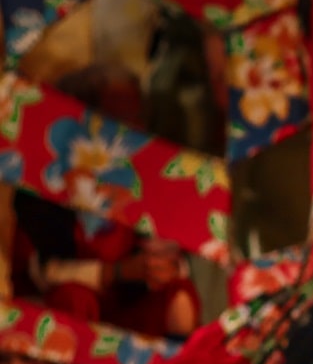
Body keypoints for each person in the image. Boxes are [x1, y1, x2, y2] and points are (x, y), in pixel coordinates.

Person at [13, 62, 201, 340]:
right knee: (73, 300)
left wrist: (164, 266)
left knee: (180, 297)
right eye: (118, 121)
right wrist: (115, 273)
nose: (133, 131)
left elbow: (179, 259)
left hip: (128, 313)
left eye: (136, 119)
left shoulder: (145, 177)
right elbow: (42, 272)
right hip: (70, 316)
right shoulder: (46, 181)